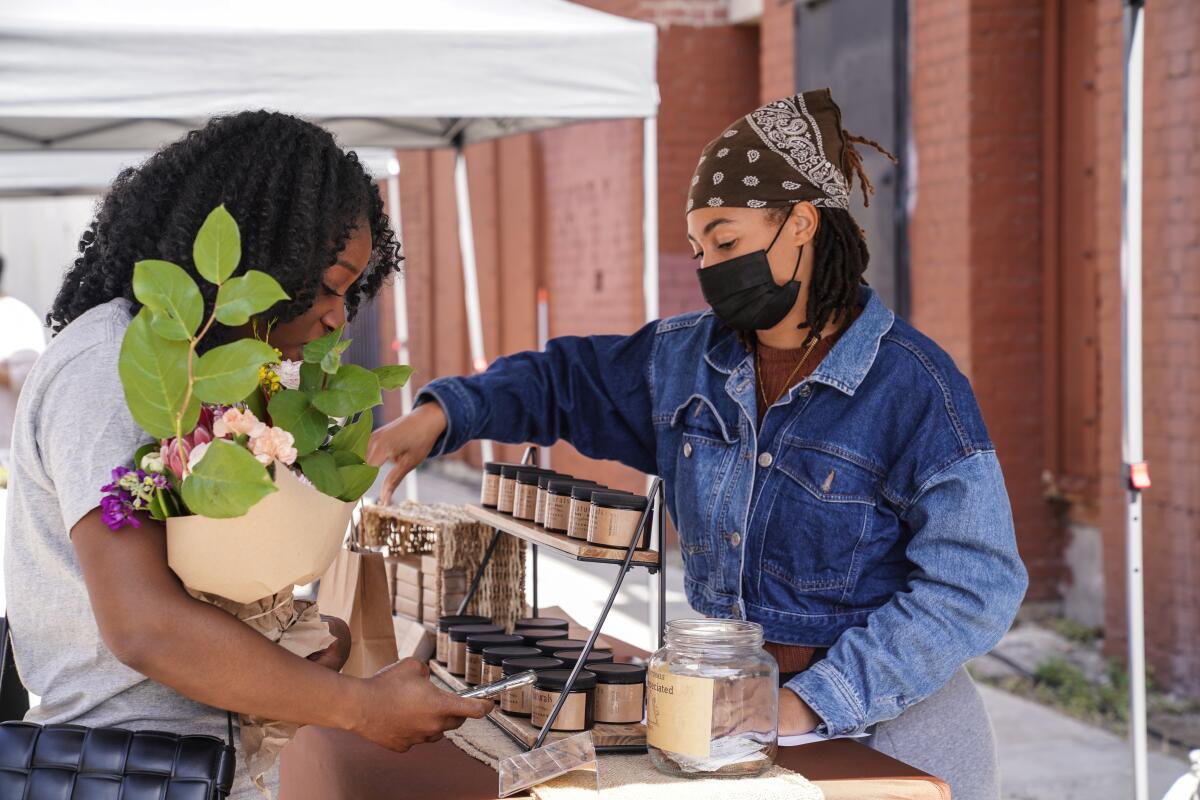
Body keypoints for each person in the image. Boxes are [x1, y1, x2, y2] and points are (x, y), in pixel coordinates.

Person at [368, 89, 1028, 799]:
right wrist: (443, 414)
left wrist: (807, 702)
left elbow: (974, 585)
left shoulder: (914, 386)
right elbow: (564, 381)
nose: (709, 266)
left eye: (726, 240)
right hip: (728, 723)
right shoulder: (685, 362)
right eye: (698, 248)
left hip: (887, 735)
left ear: (801, 222)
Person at [4, 111, 491, 799]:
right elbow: (146, 626)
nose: (337, 317)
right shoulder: (115, 368)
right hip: (125, 772)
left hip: (204, 762)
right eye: (326, 284)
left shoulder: (218, 375)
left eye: (352, 292)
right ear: (260, 256)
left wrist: (282, 639)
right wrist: (358, 706)